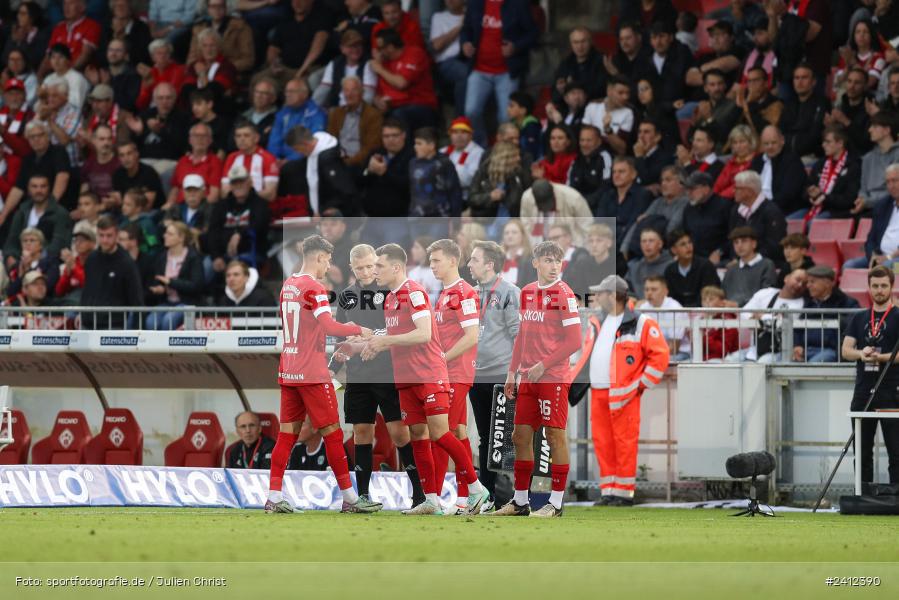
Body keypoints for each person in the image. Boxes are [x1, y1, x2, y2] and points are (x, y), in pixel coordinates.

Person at [358, 243, 491, 515]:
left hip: (431, 373)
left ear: (396, 267)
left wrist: (385, 341)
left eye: (379, 266)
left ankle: (475, 488)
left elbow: (423, 334)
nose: (375, 271)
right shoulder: (393, 298)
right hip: (406, 376)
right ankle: (431, 498)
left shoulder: (415, 293)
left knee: (442, 433)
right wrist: (369, 342)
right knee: (419, 434)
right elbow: (398, 334)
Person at [265, 234, 381, 515]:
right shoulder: (314, 288)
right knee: (332, 432)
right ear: (318, 257)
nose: (329, 266)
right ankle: (351, 499)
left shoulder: (288, 285)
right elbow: (328, 325)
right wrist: (357, 328)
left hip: (289, 369)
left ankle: (273, 496)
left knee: (286, 435)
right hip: (312, 372)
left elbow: (304, 328)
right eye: (327, 260)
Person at [331, 244, 426, 507]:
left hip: (389, 371)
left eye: (370, 266)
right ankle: (362, 496)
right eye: (359, 267)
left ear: (377, 263)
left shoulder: (390, 291)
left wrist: (372, 339)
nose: (365, 271)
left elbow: (397, 329)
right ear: (351, 268)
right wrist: (342, 349)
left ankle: (419, 493)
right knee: (361, 431)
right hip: (359, 375)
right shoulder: (347, 296)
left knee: (399, 433)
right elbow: (340, 335)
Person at [494, 240, 582, 517]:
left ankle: (555, 503)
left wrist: (543, 365)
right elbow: (522, 336)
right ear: (535, 263)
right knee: (519, 436)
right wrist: (511, 372)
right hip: (528, 376)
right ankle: (520, 501)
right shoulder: (528, 292)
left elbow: (574, 341)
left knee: (555, 436)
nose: (554, 266)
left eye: (557, 261)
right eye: (548, 260)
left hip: (552, 376)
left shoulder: (564, 294)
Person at [425, 239, 480, 514]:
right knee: (457, 433)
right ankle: (464, 498)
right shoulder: (444, 293)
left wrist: (442, 360)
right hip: (446, 372)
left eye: (436, 260)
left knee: (440, 432)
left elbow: (471, 336)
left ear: (452, 261)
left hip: (455, 373)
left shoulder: (464, 292)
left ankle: (437, 497)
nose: (432, 265)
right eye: (431, 260)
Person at [466, 240, 520, 507]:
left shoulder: (510, 292)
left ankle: (514, 495)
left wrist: (514, 372)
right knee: (486, 437)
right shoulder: (470, 293)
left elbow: (517, 334)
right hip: (476, 375)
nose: (469, 264)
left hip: (501, 374)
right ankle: (487, 495)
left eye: (474, 259)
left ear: (489, 264)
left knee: (505, 436)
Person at [842, 265, 899, 485]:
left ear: (891, 287)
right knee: (862, 450)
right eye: (875, 286)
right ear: (868, 287)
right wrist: (861, 354)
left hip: (891, 389)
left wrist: (881, 357)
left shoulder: (896, 316)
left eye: (884, 285)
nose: (879, 290)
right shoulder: (859, 318)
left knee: (895, 451)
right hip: (864, 389)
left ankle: (896, 498)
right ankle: (862, 495)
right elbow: (846, 350)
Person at [460, 0, 538, 145]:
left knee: (505, 117)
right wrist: (465, 43)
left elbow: (533, 33)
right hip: (479, 69)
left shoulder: (518, 4)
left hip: (507, 72)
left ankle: (503, 152)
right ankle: (480, 149)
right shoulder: (476, 3)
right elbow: (466, 29)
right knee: (471, 111)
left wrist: (515, 47)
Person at [725, 268, 808, 363]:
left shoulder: (801, 304)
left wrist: (761, 317)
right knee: (728, 361)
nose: (800, 285)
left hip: (780, 351)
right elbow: (744, 312)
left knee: (761, 365)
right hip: (754, 349)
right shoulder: (766, 293)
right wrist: (754, 319)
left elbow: (781, 323)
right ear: (786, 278)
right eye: (798, 280)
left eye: (804, 284)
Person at [80, 216, 143, 329]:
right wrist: (81, 313)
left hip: (113, 325)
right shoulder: (92, 258)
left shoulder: (126, 263)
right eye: (101, 235)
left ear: (117, 235)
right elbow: (87, 290)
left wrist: (137, 332)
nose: (104, 240)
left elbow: (136, 299)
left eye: (109, 236)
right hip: (88, 322)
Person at [371, 28, 438, 131]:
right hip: (395, 107)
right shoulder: (384, 62)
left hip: (420, 105)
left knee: (398, 116)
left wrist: (380, 69)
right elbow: (377, 92)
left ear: (390, 47)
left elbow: (402, 83)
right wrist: (377, 100)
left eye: (379, 48)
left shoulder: (414, 53)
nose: (377, 52)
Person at [209, 164, 270, 273]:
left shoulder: (260, 204)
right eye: (234, 182)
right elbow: (213, 232)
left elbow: (258, 225)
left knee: (236, 269)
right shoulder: (221, 206)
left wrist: (239, 234)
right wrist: (216, 256)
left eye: (241, 181)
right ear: (230, 185)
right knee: (206, 267)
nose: (238, 185)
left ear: (249, 181)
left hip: (251, 252)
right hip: (222, 254)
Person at [360, 119, 413, 243]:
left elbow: (408, 186)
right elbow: (360, 180)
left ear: (403, 135)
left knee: (392, 258)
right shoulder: (376, 153)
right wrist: (369, 170)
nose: (390, 139)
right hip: (372, 219)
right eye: (386, 136)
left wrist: (384, 173)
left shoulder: (412, 156)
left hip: (398, 219)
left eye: (394, 135)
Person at [285, 127, 358, 217]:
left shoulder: (328, 160)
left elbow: (342, 189)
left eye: (297, 149)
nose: (298, 153)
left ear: (305, 144)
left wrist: (323, 210)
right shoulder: (314, 154)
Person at [144, 222, 204, 330]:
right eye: (166, 233)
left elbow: (196, 285)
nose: (164, 236)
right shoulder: (162, 257)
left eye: (170, 234)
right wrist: (160, 289)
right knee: (150, 322)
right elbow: (159, 280)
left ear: (181, 238)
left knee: (169, 320)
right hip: (167, 302)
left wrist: (171, 282)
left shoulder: (193, 257)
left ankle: (168, 347)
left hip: (186, 303)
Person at [3, 174, 72, 265]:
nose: (39, 190)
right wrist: (10, 256)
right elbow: (12, 239)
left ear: (49, 188)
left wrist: (38, 258)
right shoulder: (21, 212)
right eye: (34, 186)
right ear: (28, 189)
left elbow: (59, 242)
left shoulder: (60, 213)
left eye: (43, 186)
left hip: (48, 263)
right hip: (20, 260)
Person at [621, 165, 689, 257]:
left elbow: (671, 229)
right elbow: (639, 223)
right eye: (662, 180)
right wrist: (624, 248)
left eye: (668, 180)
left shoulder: (685, 202)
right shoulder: (657, 202)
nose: (663, 184)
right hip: (644, 251)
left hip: (668, 252)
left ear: (682, 183)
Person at [796, 126, 861, 221]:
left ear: (840, 143)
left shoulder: (853, 166)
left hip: (837, 212)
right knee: (788, 222)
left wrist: (824, 197)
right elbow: (806, 188)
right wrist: (811, 194)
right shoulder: (820, 164)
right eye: (823, 142)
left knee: (814, 224)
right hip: (813, 208)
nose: (823, 145)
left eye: (828, 142)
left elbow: (849, 199)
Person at [796, 265, 859, 363]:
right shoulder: (809, 303)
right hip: (805, 350)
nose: (808, 285)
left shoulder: (847, 303)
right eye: (808, 282)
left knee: (813, 365)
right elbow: (798, 329)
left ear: (828, 283)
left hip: (831, 351)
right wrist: (797, 345)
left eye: (812, 282)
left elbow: (853, 328)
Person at [263, 0, 332, 89]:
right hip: (285, 69)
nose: (297, 3)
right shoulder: (286, 20)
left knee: (297, 88)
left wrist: (301, 71)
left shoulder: (321, 19)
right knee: (259, 80)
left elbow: (317, 48)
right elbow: (273, 48)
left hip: (309, 69)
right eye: (294, 0)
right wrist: (273, 65)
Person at [728, 170, 788, 265]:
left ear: (750, 191)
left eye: (737, 188)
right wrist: (735, 259)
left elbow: (774, 246)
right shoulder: (736, 210)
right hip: (741, 261)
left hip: (766, 263)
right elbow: (731, 239)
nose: (733, 191)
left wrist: (751, 260)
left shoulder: (771, 211)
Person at [326, 75, 384, 170]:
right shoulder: (335, 113)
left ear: (362, 92)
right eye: (346, 90)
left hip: (359, 164)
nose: (349, 94)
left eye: (354, 90)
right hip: (337, 160)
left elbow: (371, 147)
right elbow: (329, 141)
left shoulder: (373, 115)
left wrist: (346, 163)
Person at [593, 156, 653, 249]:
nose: (616, 175)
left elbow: (632, 227)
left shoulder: (642, 195)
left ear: (633, 174)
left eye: (621, 172)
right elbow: (600, 224)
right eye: (614, 172)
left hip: (626, 247)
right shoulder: (607, 195)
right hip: (603, 245)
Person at [847, 164, 899, 270]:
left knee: (887, 267)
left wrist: (889, 257)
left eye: (895, 180)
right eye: (888, 182)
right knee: (849, 266)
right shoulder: (882, 205)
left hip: (896, 263)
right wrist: (873, 257)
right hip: (882, 257)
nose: (891, 186)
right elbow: (871, 239)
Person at [751, 125, 808, 217]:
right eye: (766, 143)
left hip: (785, 209)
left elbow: (788, 195)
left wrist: (765, 208)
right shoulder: (757, 161)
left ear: (782, 141)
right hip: (759, 208)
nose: (770, 147)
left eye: (773, 143)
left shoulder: (792, 161)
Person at [186, 0, 255, 76]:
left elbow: (248, 60)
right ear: (208, 9)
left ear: (226, 8)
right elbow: (191, 58)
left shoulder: (240, 27)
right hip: (202, 74)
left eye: (220, 6)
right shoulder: (198, 29)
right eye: (213, 6)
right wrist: (196, 64)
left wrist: (222, 67)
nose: (217, 9)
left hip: (230, 74)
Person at [314, 29, 377, 109]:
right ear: (342, 48)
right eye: (351, 46)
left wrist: (355, 110)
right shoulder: (334, 63)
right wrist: (311, 108)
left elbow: (368, 95)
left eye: (358, 45)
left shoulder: (368, 64)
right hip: (338, 109)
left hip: (360, 109)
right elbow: (323, 90)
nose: (355, 49)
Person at [408, 127, 462, 220]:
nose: (415, 147)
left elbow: (455, 192)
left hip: (440, 216)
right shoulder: (413, 163)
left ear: (431, 145)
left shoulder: (444, 163)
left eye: (419, 143)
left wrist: (455, 218)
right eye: (415, 143)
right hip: (416, 216)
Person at [520, 179, 593, 248]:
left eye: (547, 205)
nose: (546, 209)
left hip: (572, 246)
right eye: (542, 206)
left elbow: (588, 228)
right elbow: (526, 227)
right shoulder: (527, 198)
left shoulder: (574, 199)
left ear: (553, 193)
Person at [267, 78, 326, 162]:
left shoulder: (315, 113)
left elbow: (313, 142)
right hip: (281, 160)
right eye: (286, 91)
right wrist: (274, 159)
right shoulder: (282, 113)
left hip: (305, 158)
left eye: (292, 91)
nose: (287, 95)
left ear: (304, 94)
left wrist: (289, 160)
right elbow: (274, 140)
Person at [467, 140, 529, 219]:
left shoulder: (518, 174)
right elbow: (471, 198)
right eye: (515, 156)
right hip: (487, 221)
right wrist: (490, 197)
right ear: (505, 158)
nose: (519, 159)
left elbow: (522, 199)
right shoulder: (483, 173)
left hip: (510, 221)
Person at [778, 64, 830, 158]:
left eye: (804, 77)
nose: (799, 82)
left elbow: (815, 136)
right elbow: (780, 130)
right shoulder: (789, 104)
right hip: (786, 154)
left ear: (813, 81)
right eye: (796, 78)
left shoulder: (822, 103)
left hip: (811, 156)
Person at [168, 122, 223, 209]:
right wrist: (169, 205)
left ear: (210, 140)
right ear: (190, 140)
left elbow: (214, 195)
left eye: (204, 136)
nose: (200, 139)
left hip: (202, 208)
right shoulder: (182, 161)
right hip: (179, 208)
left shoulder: (215, 162)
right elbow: (175, 189)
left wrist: (197, 212)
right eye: (196, 136)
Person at [637, 275, 690, 362]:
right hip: (652, 353)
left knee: (656, 362)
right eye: (646, 289)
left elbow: (674, 347)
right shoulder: (644, 307)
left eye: (654, 289)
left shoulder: (675, 309)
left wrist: (652, 356)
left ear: (665, 291)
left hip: (680, 353)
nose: (649, 293)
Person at [854, 112, 899, 214]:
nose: (870, 130)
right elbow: (863, 188)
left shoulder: (898, 154)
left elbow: (895, 189)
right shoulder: (867, 158)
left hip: (891, 206)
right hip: (867, 207)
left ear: (887, 130)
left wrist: (868, 202)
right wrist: (862, 200)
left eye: (874, 126)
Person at [222, 121, 278, 201]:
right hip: (235, 205)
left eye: (246, 135)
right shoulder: (231, 158)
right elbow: (224, 192)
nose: (242, 139)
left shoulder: (267, 158)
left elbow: (271, 194)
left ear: (256, 138)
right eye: (238, 136)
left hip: (259, 204)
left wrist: (245, 195)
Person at [721, 226, 777, 306]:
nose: (739, 246)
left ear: (754, 244)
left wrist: (738, 304)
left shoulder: (767, 265)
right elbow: (723, 294)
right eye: (736, 242)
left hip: (755, 313)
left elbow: (767, 296)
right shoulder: (731, 269)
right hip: (729, 315)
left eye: (744, 241)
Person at [553, 27, 607, 107]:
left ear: (590, 42)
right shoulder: (566, 63)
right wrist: (561, 90)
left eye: (583, 41)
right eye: (575, 42)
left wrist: (574, 88)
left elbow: (601, 89)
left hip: (595, 106)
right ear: (571, 44)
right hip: (570, 108)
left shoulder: (601, 61)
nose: (580, 46)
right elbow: (555, 95)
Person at [664, 229, 719, 307]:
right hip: (677, 314)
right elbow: (670, 297)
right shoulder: (670, 271)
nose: (688, 247)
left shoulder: (705, 266)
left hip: (703, 312)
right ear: (674, 250)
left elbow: (710, 293)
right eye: (683, 244)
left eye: (689, 242)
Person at [689, 69, 741, 148]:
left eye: (720, 84)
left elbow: (724, 137)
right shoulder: (703, 107)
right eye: (712, 85)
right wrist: (693, 123)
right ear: (705, 88)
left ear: (725, 85)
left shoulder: (734, 107)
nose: (717, 88)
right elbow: (690, 139)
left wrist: (709, 118)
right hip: (701, 154)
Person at [44, 0, 101, 72]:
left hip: (78, 73)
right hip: (57, 73)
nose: (66, 7)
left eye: (71, 3)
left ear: (82, 7)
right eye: (64, 4)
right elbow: (48, 56)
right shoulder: (58, 28)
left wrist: (68, 73)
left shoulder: (92, 26)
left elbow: (85, 55)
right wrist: (39, 75)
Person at [111, 140, 164, 211]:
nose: (126, 158)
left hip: (151, 213)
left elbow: (147, 205)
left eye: (129, 153)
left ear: (136, 154)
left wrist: (123, 204)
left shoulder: (149, 173)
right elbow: (118, 201)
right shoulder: (117, 174)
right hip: (126, 212)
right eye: (122, 155)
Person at [134, 40, 186, 112]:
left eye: (166, 53)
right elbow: (141, 104)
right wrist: (146, 88)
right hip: (153, 111)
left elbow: (173, 97)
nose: (162, 56)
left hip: (174, 110)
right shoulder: (150, 73)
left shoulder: (179, 70)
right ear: (152, 57)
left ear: (170, 56)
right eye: (159, 53)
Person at [440, 116, 484, 196]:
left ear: (471, 135)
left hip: (466, 198)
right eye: (455, 132)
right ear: (450, 135)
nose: (459, 136)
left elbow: (466, 180)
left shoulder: (478, 153)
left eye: (464, 132)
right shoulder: (443, 151)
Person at [55, 221, 96, 303]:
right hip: (72, 302)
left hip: (91, 302)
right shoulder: (74, 261)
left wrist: (74, 267)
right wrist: (67, 273)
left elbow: (91, 285)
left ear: (92, 244)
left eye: (82, 240)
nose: (78, 243)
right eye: (76, 240)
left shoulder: (97, 261)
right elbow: (59, 291)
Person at [713, 125, 757, 200]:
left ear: (750, 142)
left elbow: (738, 187)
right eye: (735, 143)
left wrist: (719, 198)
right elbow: (718, 184)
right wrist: (713, 198)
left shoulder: (756, 161)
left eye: (742, 141)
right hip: (724, 200)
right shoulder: (731, 162)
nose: (738, 146)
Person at [567, 125, 611, 200]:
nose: (584, 144)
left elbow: (606, 188)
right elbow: (569, 186)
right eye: (582, 140)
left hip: (597, 207)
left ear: (599, 142)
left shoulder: (605, 158)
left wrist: (584, 203)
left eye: (589, 140)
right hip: (576, 205)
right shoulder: (576, 160)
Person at [78, 124, 119, 205]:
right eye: (102, 139)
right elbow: (84, 190)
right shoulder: (88, 164)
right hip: (93, 210)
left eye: (109, 139)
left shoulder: (119, 164)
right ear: (93, 140)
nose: (106, 143)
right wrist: (80, 208)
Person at [42, 44, 89, 111]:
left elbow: (77, 104)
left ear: (68, 60)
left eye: (61, 57)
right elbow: (42, 102)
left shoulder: (77, 78)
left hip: (70, 116)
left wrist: (60, 96)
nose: (56, 61)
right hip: (51, 114)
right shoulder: (48, 79)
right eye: (53, 57)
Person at [627, 228, 673, 297]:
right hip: (637, 306)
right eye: (644, 241)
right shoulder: (634, 267)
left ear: (660, 244)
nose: (647, 244)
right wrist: (632, 300)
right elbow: (625, 290)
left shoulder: (671, 265)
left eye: (651, 241)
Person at [633, 119, 673, 196]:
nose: (641, 136)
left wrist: (639, 157)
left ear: (657, 137)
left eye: (646, 132)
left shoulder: (664, 158)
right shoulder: (635, 156)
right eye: (639, 132)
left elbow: (647, 179)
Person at [237, 77, 278, 149]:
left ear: (273, 98)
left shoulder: (278, 118)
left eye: (264, 93)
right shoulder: (243, 116)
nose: (259, 96)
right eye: (257, 92)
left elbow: (271, 143)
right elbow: (231, 143)